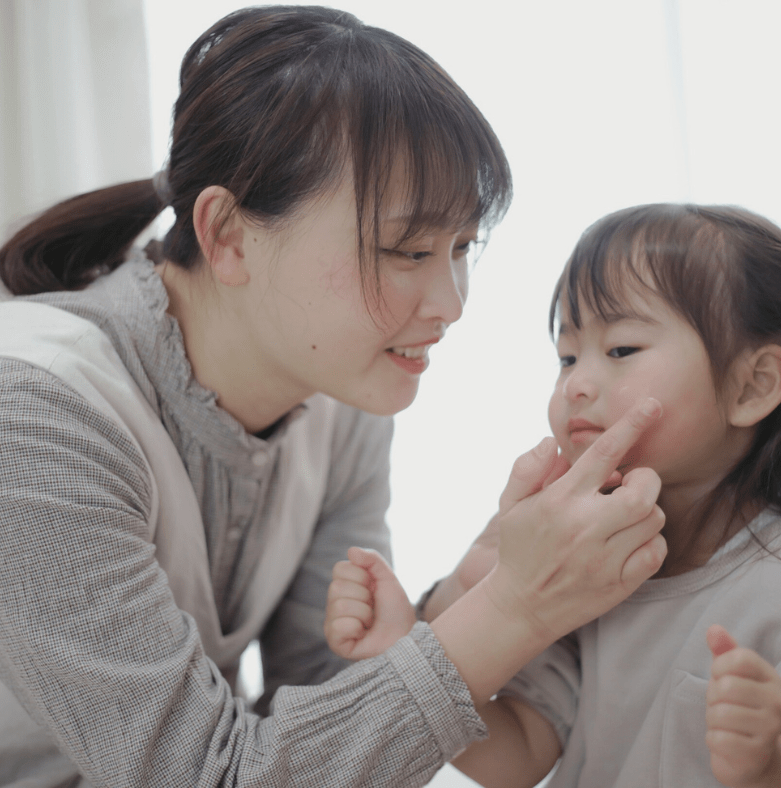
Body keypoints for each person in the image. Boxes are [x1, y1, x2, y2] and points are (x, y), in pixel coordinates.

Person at [0, 7, 671, 786]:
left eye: (461, 249)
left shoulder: (338, 401)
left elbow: (317, 702)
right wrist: (516, 610)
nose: (451, 302)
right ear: (227, 236)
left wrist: (460, 595)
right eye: (408, 249)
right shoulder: (35, 414)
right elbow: (204, 774)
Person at [325, 203, 781, 788]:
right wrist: (406, 651)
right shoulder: (591, 568)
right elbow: (521, 755)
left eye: (620, 349)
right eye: (567, 356)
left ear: (752, 387)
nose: (577, 385)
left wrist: (772, 766)